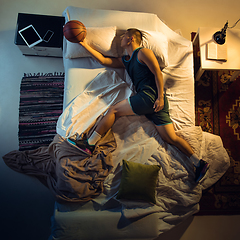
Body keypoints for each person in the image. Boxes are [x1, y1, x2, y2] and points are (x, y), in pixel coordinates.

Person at [67, 28, 209, 183]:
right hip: (153, 102)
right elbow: (103, 60)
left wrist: (160, 97)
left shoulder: (143, 53)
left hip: (150, 97)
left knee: (113, 110)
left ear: (131, 38)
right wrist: (83, 43)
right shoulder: (125, 59)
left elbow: (157, 73)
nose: (120, 39)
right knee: (170, 137)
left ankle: (90, 144)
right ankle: (199, 163)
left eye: (123, 36)